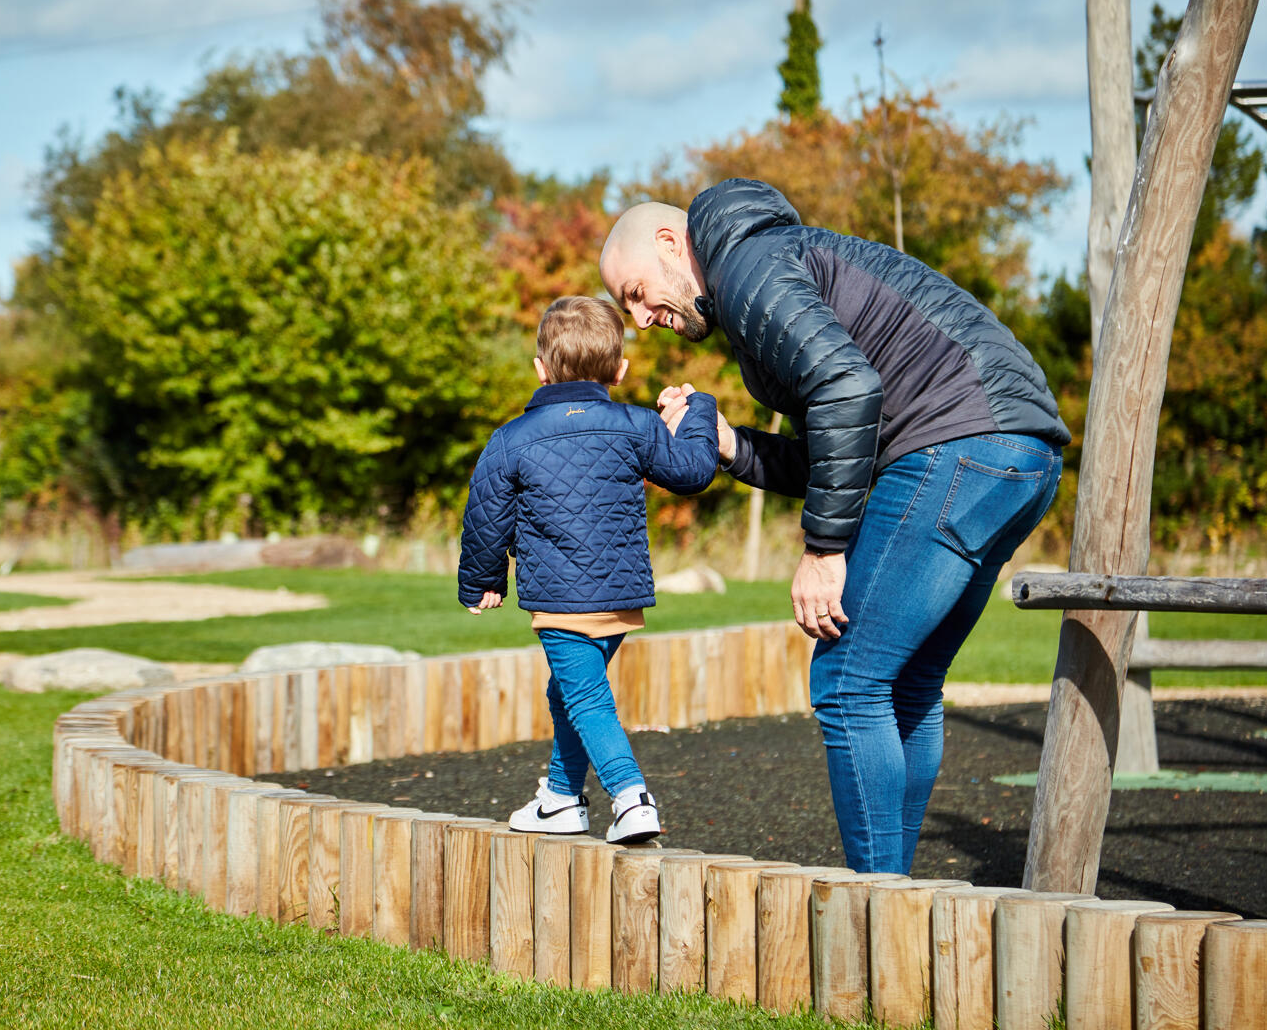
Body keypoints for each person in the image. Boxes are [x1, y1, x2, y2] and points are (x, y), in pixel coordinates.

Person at [599, 179, 1069, 874]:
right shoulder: (768, 266)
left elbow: (848, 391)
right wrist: (730, 444)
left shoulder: (747, 265)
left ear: (671, 243)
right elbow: (835, 450)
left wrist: (824, 551)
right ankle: (895, 898)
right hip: (1021, 457)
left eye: (636, 293)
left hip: (960, 446)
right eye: (628, 308)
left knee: (849, 679)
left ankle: (874, 905)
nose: (641, 319)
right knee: (907, 681)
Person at [458, 295, 722, 844]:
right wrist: (698, 409)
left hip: (560, 599)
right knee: (568, 691)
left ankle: (632, 798)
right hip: (620, 596)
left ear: (541, 369)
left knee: (585, 698)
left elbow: (486, 514)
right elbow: (694, 470)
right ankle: (561, 798)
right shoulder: (638, 425)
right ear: (619, 371)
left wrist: (482, 580)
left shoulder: (512, 438)